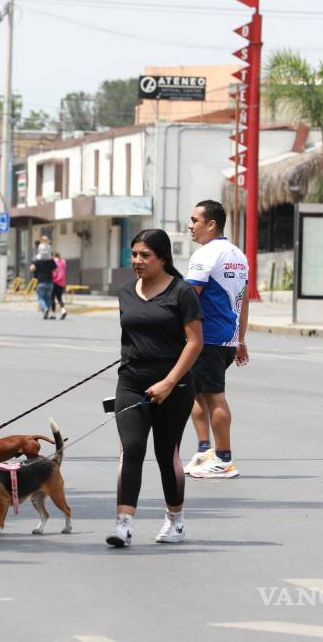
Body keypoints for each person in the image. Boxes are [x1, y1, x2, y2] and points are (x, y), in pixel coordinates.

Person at [107, 229, 203, 548]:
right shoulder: (125, 292)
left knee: (166, 453)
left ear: (162, 258)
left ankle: (175, 520)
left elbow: (195, 342)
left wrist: (168, 382)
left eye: (145, 255)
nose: (138, 261)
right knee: (131, 449)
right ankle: (123, 525)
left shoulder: (182, 292)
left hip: (174, 386)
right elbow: (131, 338)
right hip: (132, 383)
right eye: (134, 254)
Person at [182, 200, 249, 480]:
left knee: (214, 397)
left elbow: (186, 298)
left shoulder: (205, 255)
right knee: (197, 393)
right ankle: (205, 450)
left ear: (211, 224)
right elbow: (243, 302)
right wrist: (241, 339)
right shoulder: (238, 255)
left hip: (207, 338)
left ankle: (224, 459)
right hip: (226, 339)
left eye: (195, 220)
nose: (190, 226)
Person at [30, 240, 57, 320]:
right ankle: (47, 311)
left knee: (41, 298)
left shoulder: (38, 261)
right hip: (50, 282)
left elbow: (32, 269)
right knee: (48, 297)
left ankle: (45, 309)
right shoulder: (51, 261)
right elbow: (56, 269)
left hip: (41, 282)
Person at [51, 251, 67, 320]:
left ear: (53, 256)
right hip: (62, 282)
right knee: (59, 297)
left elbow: (54, 273)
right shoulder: (63, 262)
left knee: (52, 298)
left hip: (54, 281)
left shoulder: (53, 262)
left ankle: (53, 314)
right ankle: (63, 310)